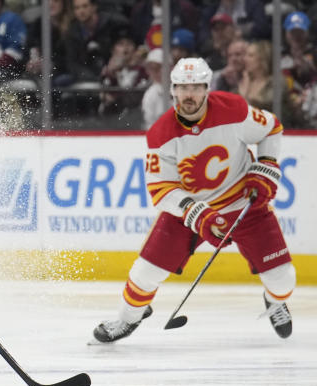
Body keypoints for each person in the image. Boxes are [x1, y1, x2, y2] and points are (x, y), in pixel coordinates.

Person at [93, 57, 296, 343]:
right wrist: (198, 213)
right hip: (190, 213)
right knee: (143, 274)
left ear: (206, 88)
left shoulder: (234, 109)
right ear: (173, 90)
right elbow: (162, 190)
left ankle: (275, 302)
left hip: (244, 204)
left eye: (196, 87)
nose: (189, 94)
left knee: (284, 279)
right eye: (182, 87)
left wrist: (265, 167)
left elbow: (271, 128)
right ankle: (128, 319)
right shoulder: (161, 134)